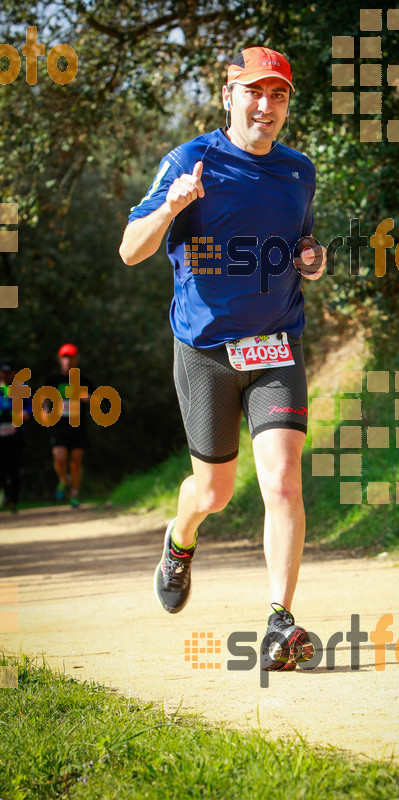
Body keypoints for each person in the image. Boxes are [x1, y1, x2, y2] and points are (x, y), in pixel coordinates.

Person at [120, 46, 326, 669]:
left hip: (275, 348)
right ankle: (180, 540)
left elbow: (303, 240)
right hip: (207, 351)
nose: (266, 106)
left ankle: (279, 623)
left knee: (284, 484)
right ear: (229, 94)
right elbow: (131, 249)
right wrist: (171, 206)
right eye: (254, 93)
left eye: (279, 95)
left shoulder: (298, 171)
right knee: (212, 492)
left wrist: (313, 259)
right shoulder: (190, 160)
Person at [45, 343, 95, 508]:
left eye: (71, 356)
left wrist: (85, 397)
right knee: (59, 458)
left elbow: (95, 398)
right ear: (60, 358)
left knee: (75, 461)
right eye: (65, 356)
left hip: (77, 425)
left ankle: (74, 493)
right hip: (58, 425)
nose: (68, 360)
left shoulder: (84, 379)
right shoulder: (53, 379)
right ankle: (62, 478)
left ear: (76, 359)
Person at [0, 358, 31, 513]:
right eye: (3, 372)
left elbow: (31, 405)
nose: (6, 375)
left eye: (9, 372)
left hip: (16, 434)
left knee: (14, 468)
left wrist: (27, 413)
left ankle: (13, 501)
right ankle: (4, 493)